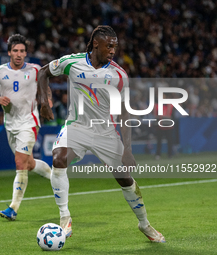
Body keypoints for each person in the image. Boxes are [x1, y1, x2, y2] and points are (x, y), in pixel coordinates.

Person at [37, 25, 165, 242]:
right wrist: (44, 101)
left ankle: (145, 224)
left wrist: (128, 150)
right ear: (96, 43)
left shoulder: (118, 75)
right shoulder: (72, 62)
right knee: (58, 159)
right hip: (77, 127)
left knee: (125, 179)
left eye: (115, 47)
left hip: (105, 132)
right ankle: (64, 218)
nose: (113, 50)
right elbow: (43, 72)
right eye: (109, 46)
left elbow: (125, 113)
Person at [0, 34, 52, 221]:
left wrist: (47, 100)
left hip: (29, 122)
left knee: (20, 163)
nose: (19, 54)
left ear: (26, 53)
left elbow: (45, 84)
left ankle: (13, 208)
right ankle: (56, 178)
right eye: (15, 51)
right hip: (10, 124)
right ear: (9, 52)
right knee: (28, 164)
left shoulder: (35, 70)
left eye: (22, 51)